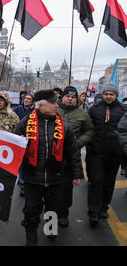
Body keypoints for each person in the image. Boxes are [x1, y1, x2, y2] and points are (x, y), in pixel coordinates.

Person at [14, 89, 83, 246]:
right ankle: (31, 239)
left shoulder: (64, 125)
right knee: (31, 210)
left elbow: (73, 151)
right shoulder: (24, 123)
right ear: (41, 106)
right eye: (53, 103)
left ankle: (50, 231)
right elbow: (13, 149)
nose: (56, 106)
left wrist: (77, 173)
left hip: (57, 177)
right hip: (32, 177)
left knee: (53, 209)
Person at [87, 84, 125, 226]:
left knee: (109, 182)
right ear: (102, 95)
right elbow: (88, 128)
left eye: (111, 94)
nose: (108, 96)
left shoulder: (123, 110)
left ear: (116, 96)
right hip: (96, 153)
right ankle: (93, 212)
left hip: (114, 154)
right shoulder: (94, 109)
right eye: (106, 94)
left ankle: (104, 206)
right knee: (96, 182)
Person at [57, 86, 95, 227]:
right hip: (51, 156)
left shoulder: (82, 114)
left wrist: (77, 143)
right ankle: (51, 211)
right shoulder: (52, 109)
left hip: (70, 158)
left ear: (76, 99)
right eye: (68, 96)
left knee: (66, 187)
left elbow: (89, 131)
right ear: (62, 97)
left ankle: (63, 214)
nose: (70, 99)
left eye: (73, 97)